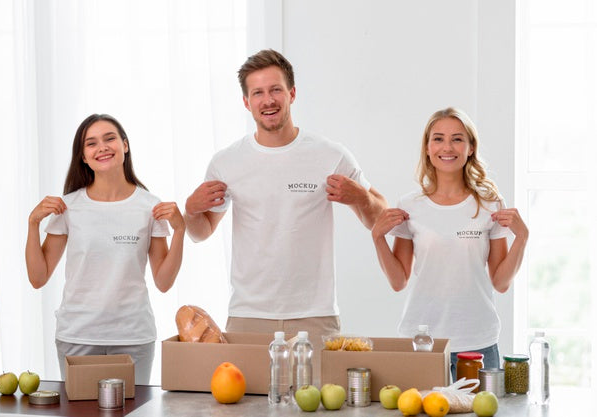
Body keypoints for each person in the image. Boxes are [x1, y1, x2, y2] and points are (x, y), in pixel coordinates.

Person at [184, 49, 387, 357]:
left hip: (315, 316)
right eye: (258, 93)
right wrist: (191, 209)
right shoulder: (226, 162)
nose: (268, 100)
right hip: (248, 315)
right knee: (243, 403)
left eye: (276, 90)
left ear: (292, 94)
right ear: (246, 102)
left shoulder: (330, 155)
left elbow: (380, 218)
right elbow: (201, 232)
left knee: (317, 404)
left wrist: (360, 197)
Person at [25, 113, 185, 384]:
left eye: (109, 138)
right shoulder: (69, 207)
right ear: (84, 157)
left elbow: (164, 282)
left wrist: (180, 230)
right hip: (77, 336)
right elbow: (38, 278)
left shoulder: (150, 206)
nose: (102, 147)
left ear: (125, 145)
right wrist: (32, 224)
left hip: (133, 337)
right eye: (91, 143)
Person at [371, 107, 529, 380]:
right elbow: (398, 281)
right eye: (439, 138)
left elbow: (501, 282)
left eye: (457, 138)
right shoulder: (410, 206)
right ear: (428, 148)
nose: (448, 146)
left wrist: (522, 238)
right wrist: (377, 238)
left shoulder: (489, 204)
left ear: (470, 148)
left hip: (477, 342)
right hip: (422, 343)